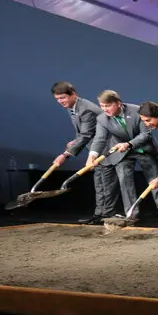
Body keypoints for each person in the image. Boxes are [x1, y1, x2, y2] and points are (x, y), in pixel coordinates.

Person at [89, 91, 158, 223]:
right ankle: (132, 214)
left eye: (108, 105)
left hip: (143, 149)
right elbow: (99, 139)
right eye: (102, 106)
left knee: (154, 180)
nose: (105, 109)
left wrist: (129, 144)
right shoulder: (102, 119)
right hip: (122, 153)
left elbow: (146, 134)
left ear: (118, 103)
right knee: (125, 182)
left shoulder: (137, 111)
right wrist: (92, 156)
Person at [50, 81, 115, 225]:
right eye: (57, 99)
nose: (60, 102)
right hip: (95, 149)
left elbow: (86, 135)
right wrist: (75, 141)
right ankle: (99, 215)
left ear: (73, 94)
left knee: (106, 184)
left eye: (63, 98)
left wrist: (65, 154)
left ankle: (107, 215)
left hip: (105, 149)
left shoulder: (86, 109)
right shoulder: (73, 106)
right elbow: (85, 132)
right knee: (99, 183)